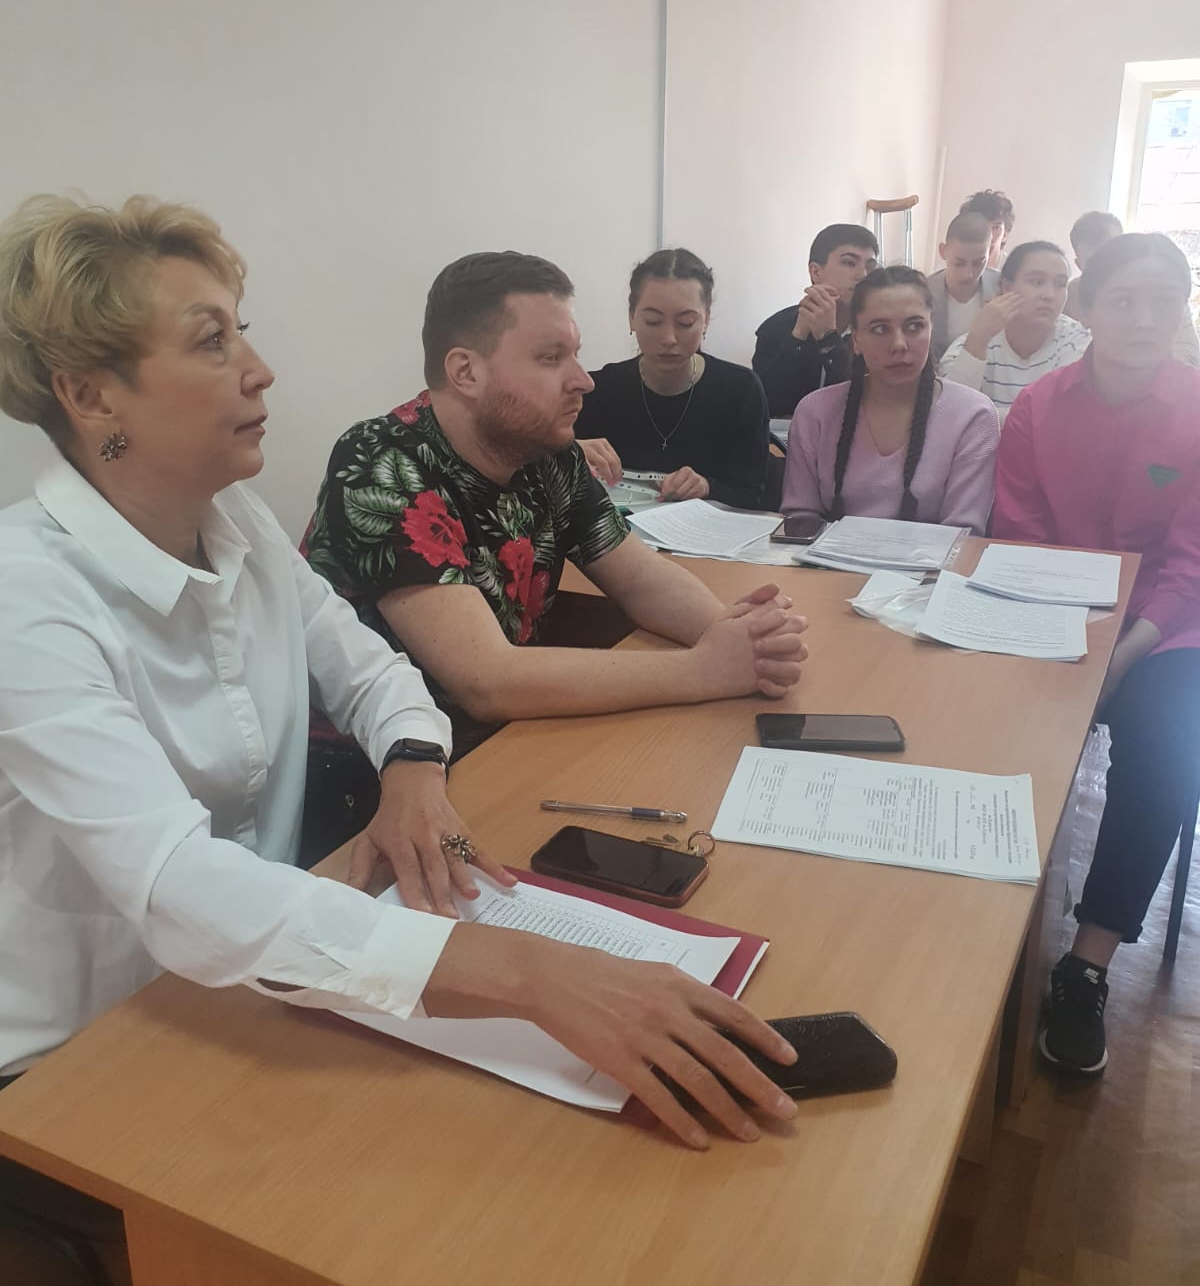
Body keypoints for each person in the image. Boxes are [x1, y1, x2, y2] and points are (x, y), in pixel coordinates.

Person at [0, 196, 801, 1149]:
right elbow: (178, 884)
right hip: (82, 1055)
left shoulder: (235, 523)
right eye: (212, 341)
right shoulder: (25, 596)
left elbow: (375, 674)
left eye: (241, 331)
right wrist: (529, 973)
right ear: (91, 396)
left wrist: (414, 768)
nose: (260, 368)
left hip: (262, 975)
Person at [303, 249, 808, 761]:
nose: (583, 380)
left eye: (575, 354)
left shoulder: (547, 454)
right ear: (466, 372)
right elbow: (486, 680)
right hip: (375, 766)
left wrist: (739, 637)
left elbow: (638, 577)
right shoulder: (380, 462)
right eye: (551, 358)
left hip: (499, 741)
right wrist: (705, 669)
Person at [992, 233, 1200, 1076]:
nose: (1146, 319)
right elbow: (1021, 534)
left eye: (1165, 301)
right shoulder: (1036, 409)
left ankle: (1088, 961)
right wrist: (1071, 642)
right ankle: (985, 912)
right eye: (1124, 300)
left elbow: (1190, 565)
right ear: (1086, 308)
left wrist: (1121, 656)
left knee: (1169, 746)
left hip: (1165, 630)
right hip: (1057, 613)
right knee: (992, 715)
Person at [780, 267, 998, 535]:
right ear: (856, 340)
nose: (899, 344)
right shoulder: (815, 412)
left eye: (914, 326)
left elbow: (963, 535)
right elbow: (799, 519)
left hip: (932, 563)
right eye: (880, 329)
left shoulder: (973, 415)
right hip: (823, 560)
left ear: (931, 329)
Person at [573, 248, 769, 509]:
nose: (668, 338)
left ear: (706, 320)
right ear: (632, 318)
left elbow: (753, 496)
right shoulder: (596, 390)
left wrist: (707, 487)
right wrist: (569, 454)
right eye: (653, 321)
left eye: (685, 322)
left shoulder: (741, 391)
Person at [940, 241, 1089, 422]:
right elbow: (951, 415)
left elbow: (1065, 417)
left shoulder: (1079, 340)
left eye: (1060, 284)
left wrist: (982, 417)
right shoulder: (973, 343)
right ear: (1007, 287)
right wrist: (978, 341)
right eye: (1037, 282)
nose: (1049, 295)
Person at [751, 224, 878, 419]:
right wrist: (798, 334)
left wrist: (829, 339)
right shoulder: (774, 327)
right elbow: (768, 404)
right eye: (849, 263)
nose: (863, 275)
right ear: (816, 272)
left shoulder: (876, 331)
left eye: (870, 266)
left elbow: (861, 401)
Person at [1066, 211, 1200, 366]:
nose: (1107, 269)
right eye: (1095, 265)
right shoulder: (1068, 295)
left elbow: (1191, 356)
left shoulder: (1165, 292)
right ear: (1079, 265)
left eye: (1116, 256)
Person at [924, 211, 1003, 360]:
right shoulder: (925, 291)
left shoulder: (1002, 288)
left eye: (979, 263)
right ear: (943, 251)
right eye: (959, 263)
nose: (969, 274)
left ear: (990, 252)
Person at [959, 189, 1015, 271]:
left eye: (996, 228)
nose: (989, 235)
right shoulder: (953, 266)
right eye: (981, 227)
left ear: (1005, 234)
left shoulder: (1014, 271)